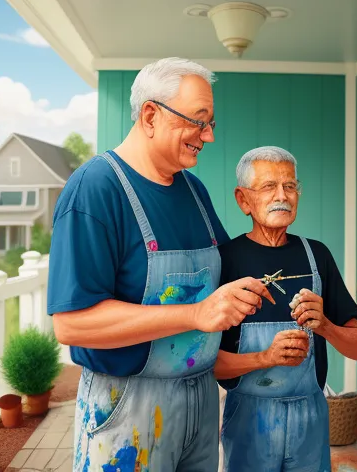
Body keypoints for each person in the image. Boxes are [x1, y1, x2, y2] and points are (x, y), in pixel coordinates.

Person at [47, 58, 275, 472]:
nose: (208, 135)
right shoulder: (96, 188)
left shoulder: (193, 189)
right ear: (151, 114)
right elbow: (72, 323)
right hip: (126, 406)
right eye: (198, 121)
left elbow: (227, 270)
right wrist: (196, 313)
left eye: (211, 123)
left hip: (201, 398)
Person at [215, 146, 357, 472]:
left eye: (290, 186)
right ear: (243, 200)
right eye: (269, 186)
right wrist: (264, 358)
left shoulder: (318, 256)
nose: (282, 196)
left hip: (310, 420)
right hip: (248, 419)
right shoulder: (225, 260)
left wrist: (325, 325)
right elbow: (208, 364)